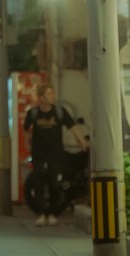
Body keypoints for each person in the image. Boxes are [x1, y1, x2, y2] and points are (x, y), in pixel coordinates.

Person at [23, 83, 89, 226]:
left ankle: (52, 213)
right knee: (39, 183)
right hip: (39, 153)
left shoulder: (59, 112)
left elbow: (72, 126)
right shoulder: (33, 113)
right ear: (41, 98)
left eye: (52, 93)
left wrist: (82, 141)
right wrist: (27, 143)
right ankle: (41, 214)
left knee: (55, 183)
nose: (52, 96)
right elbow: (26, 128)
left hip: (56, 153)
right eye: (49, 94)